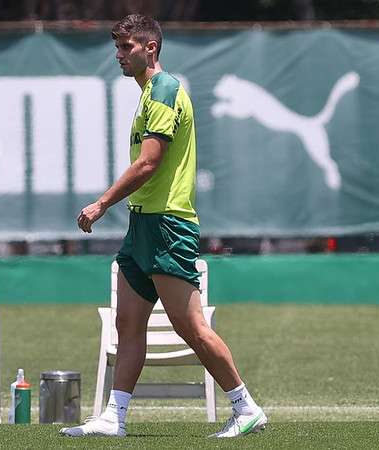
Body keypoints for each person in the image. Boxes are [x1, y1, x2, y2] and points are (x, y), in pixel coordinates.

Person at [60, 14, 267, 438]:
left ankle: (245, 408)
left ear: (149, 48)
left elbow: (150, 162)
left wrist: (101, 204)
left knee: (189, 326)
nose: (119, 55)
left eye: (127, 48)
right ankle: (114, 418)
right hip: (142, 226)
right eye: (117, 48)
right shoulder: (148, 93)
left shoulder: (166, 89)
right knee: (128, 324)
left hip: (169, 224)